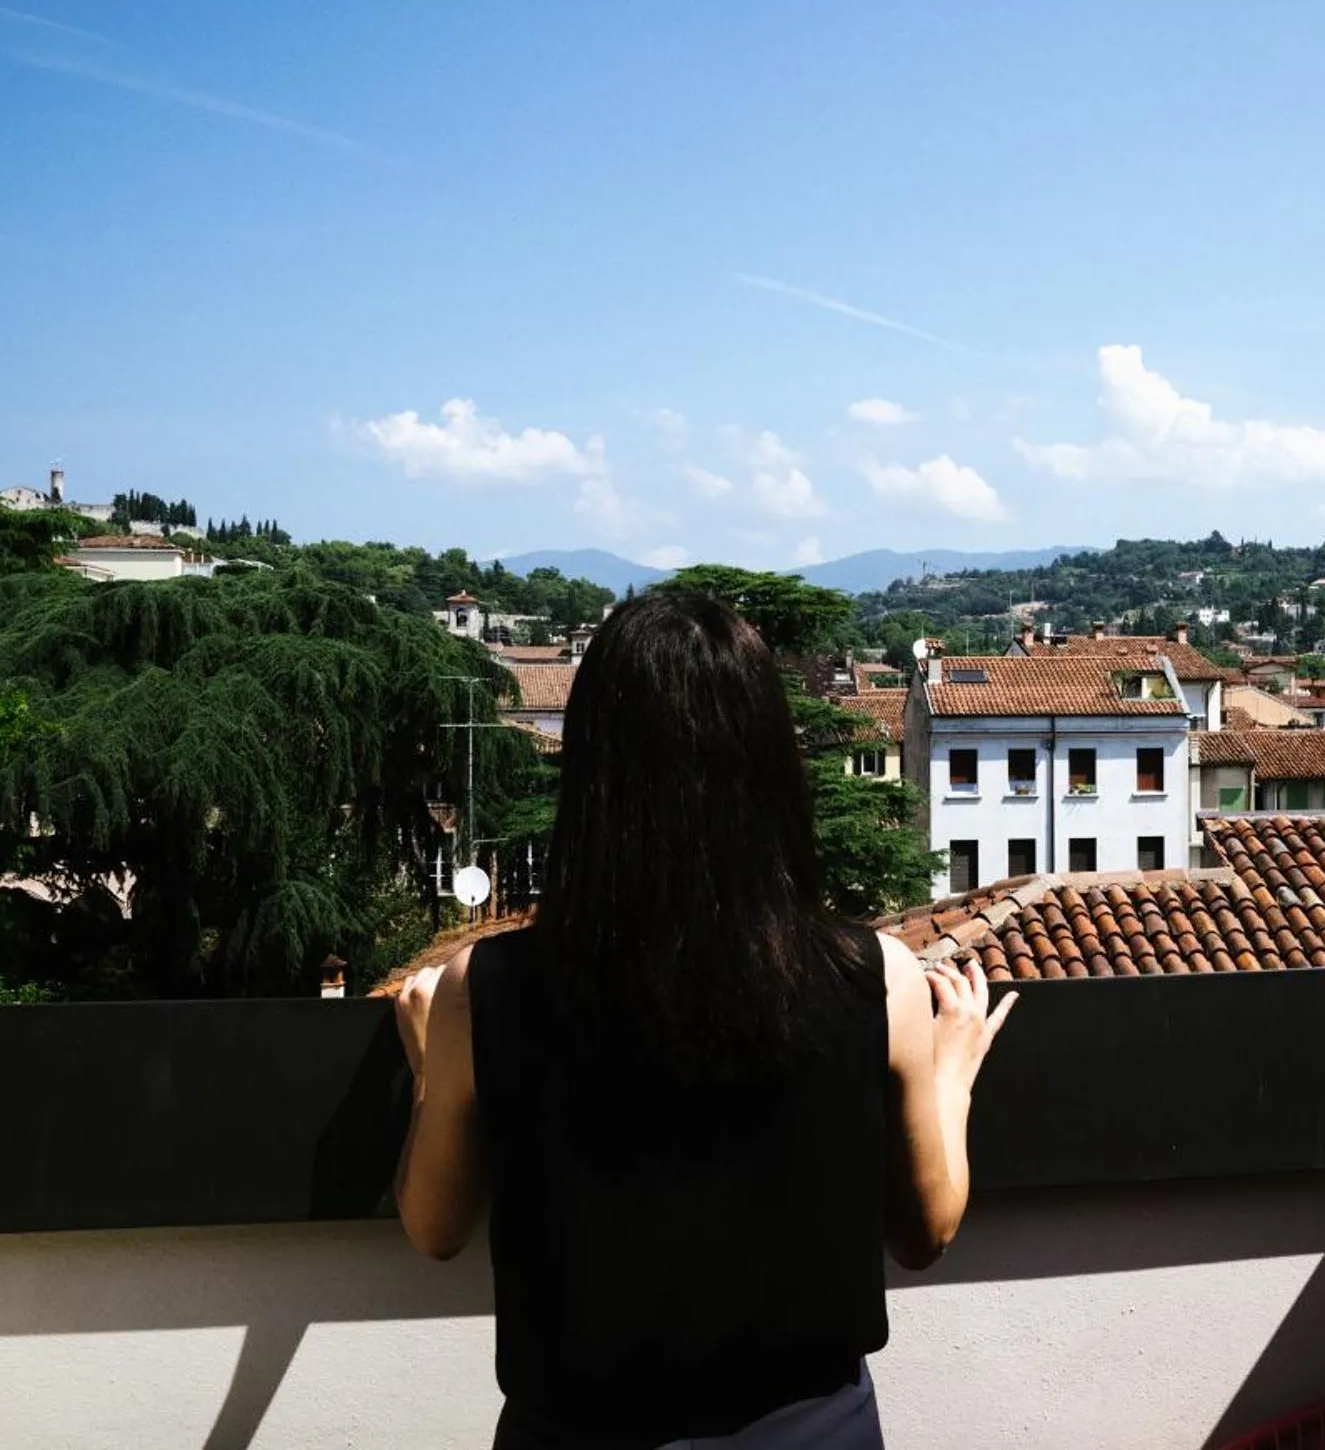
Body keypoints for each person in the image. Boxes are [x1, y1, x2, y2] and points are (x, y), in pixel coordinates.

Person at [391, 589, 1014, 1449]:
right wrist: (952, 1074)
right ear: (768, 767)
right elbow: (925, 1229)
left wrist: (434, 1071)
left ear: (594, 771)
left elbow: (433, 1226)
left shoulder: (487, 987)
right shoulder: (876, 979)